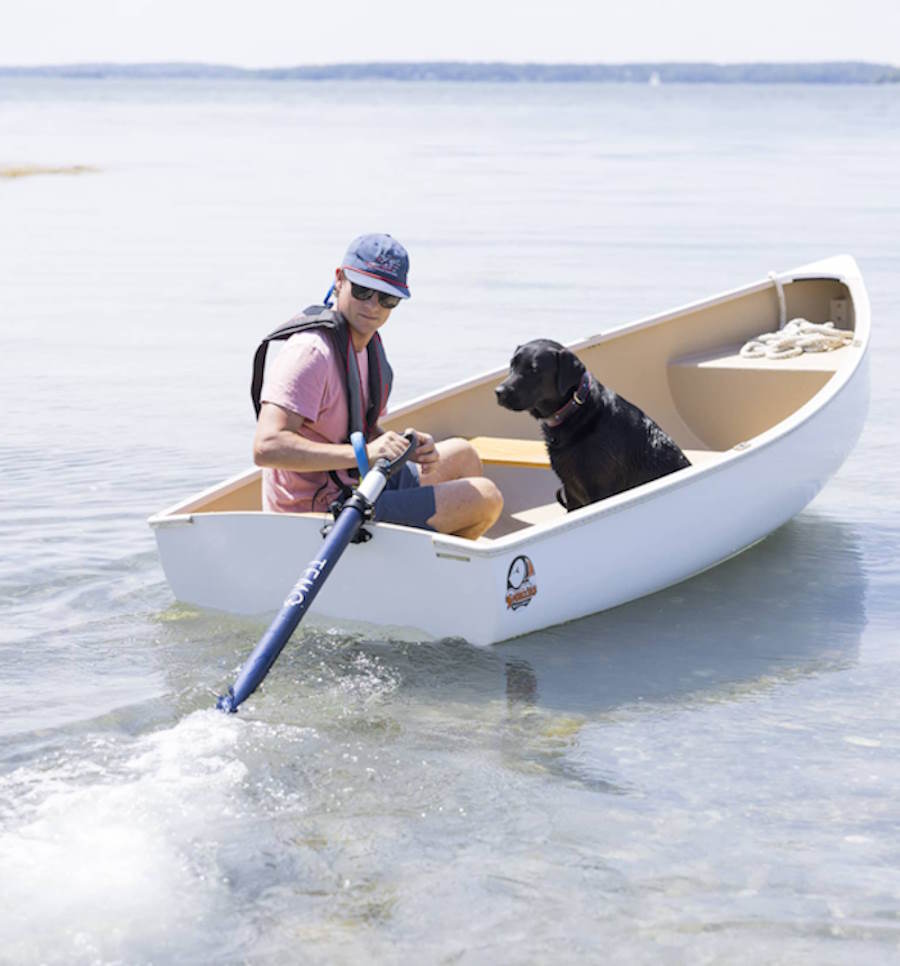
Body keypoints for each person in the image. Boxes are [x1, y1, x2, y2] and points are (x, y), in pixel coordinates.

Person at [253, 233, 503, 539]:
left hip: (356, 485)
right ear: (340, 279)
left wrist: (401, 447)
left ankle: (421, 567)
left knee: (464, 455)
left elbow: (357, 432)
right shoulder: (310, 354)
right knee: (485, 497)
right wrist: (366, 455)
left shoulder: (368, 349)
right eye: (363, 290)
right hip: (318, 514)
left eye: (387, 299)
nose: (373, 306)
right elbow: (266, 447)